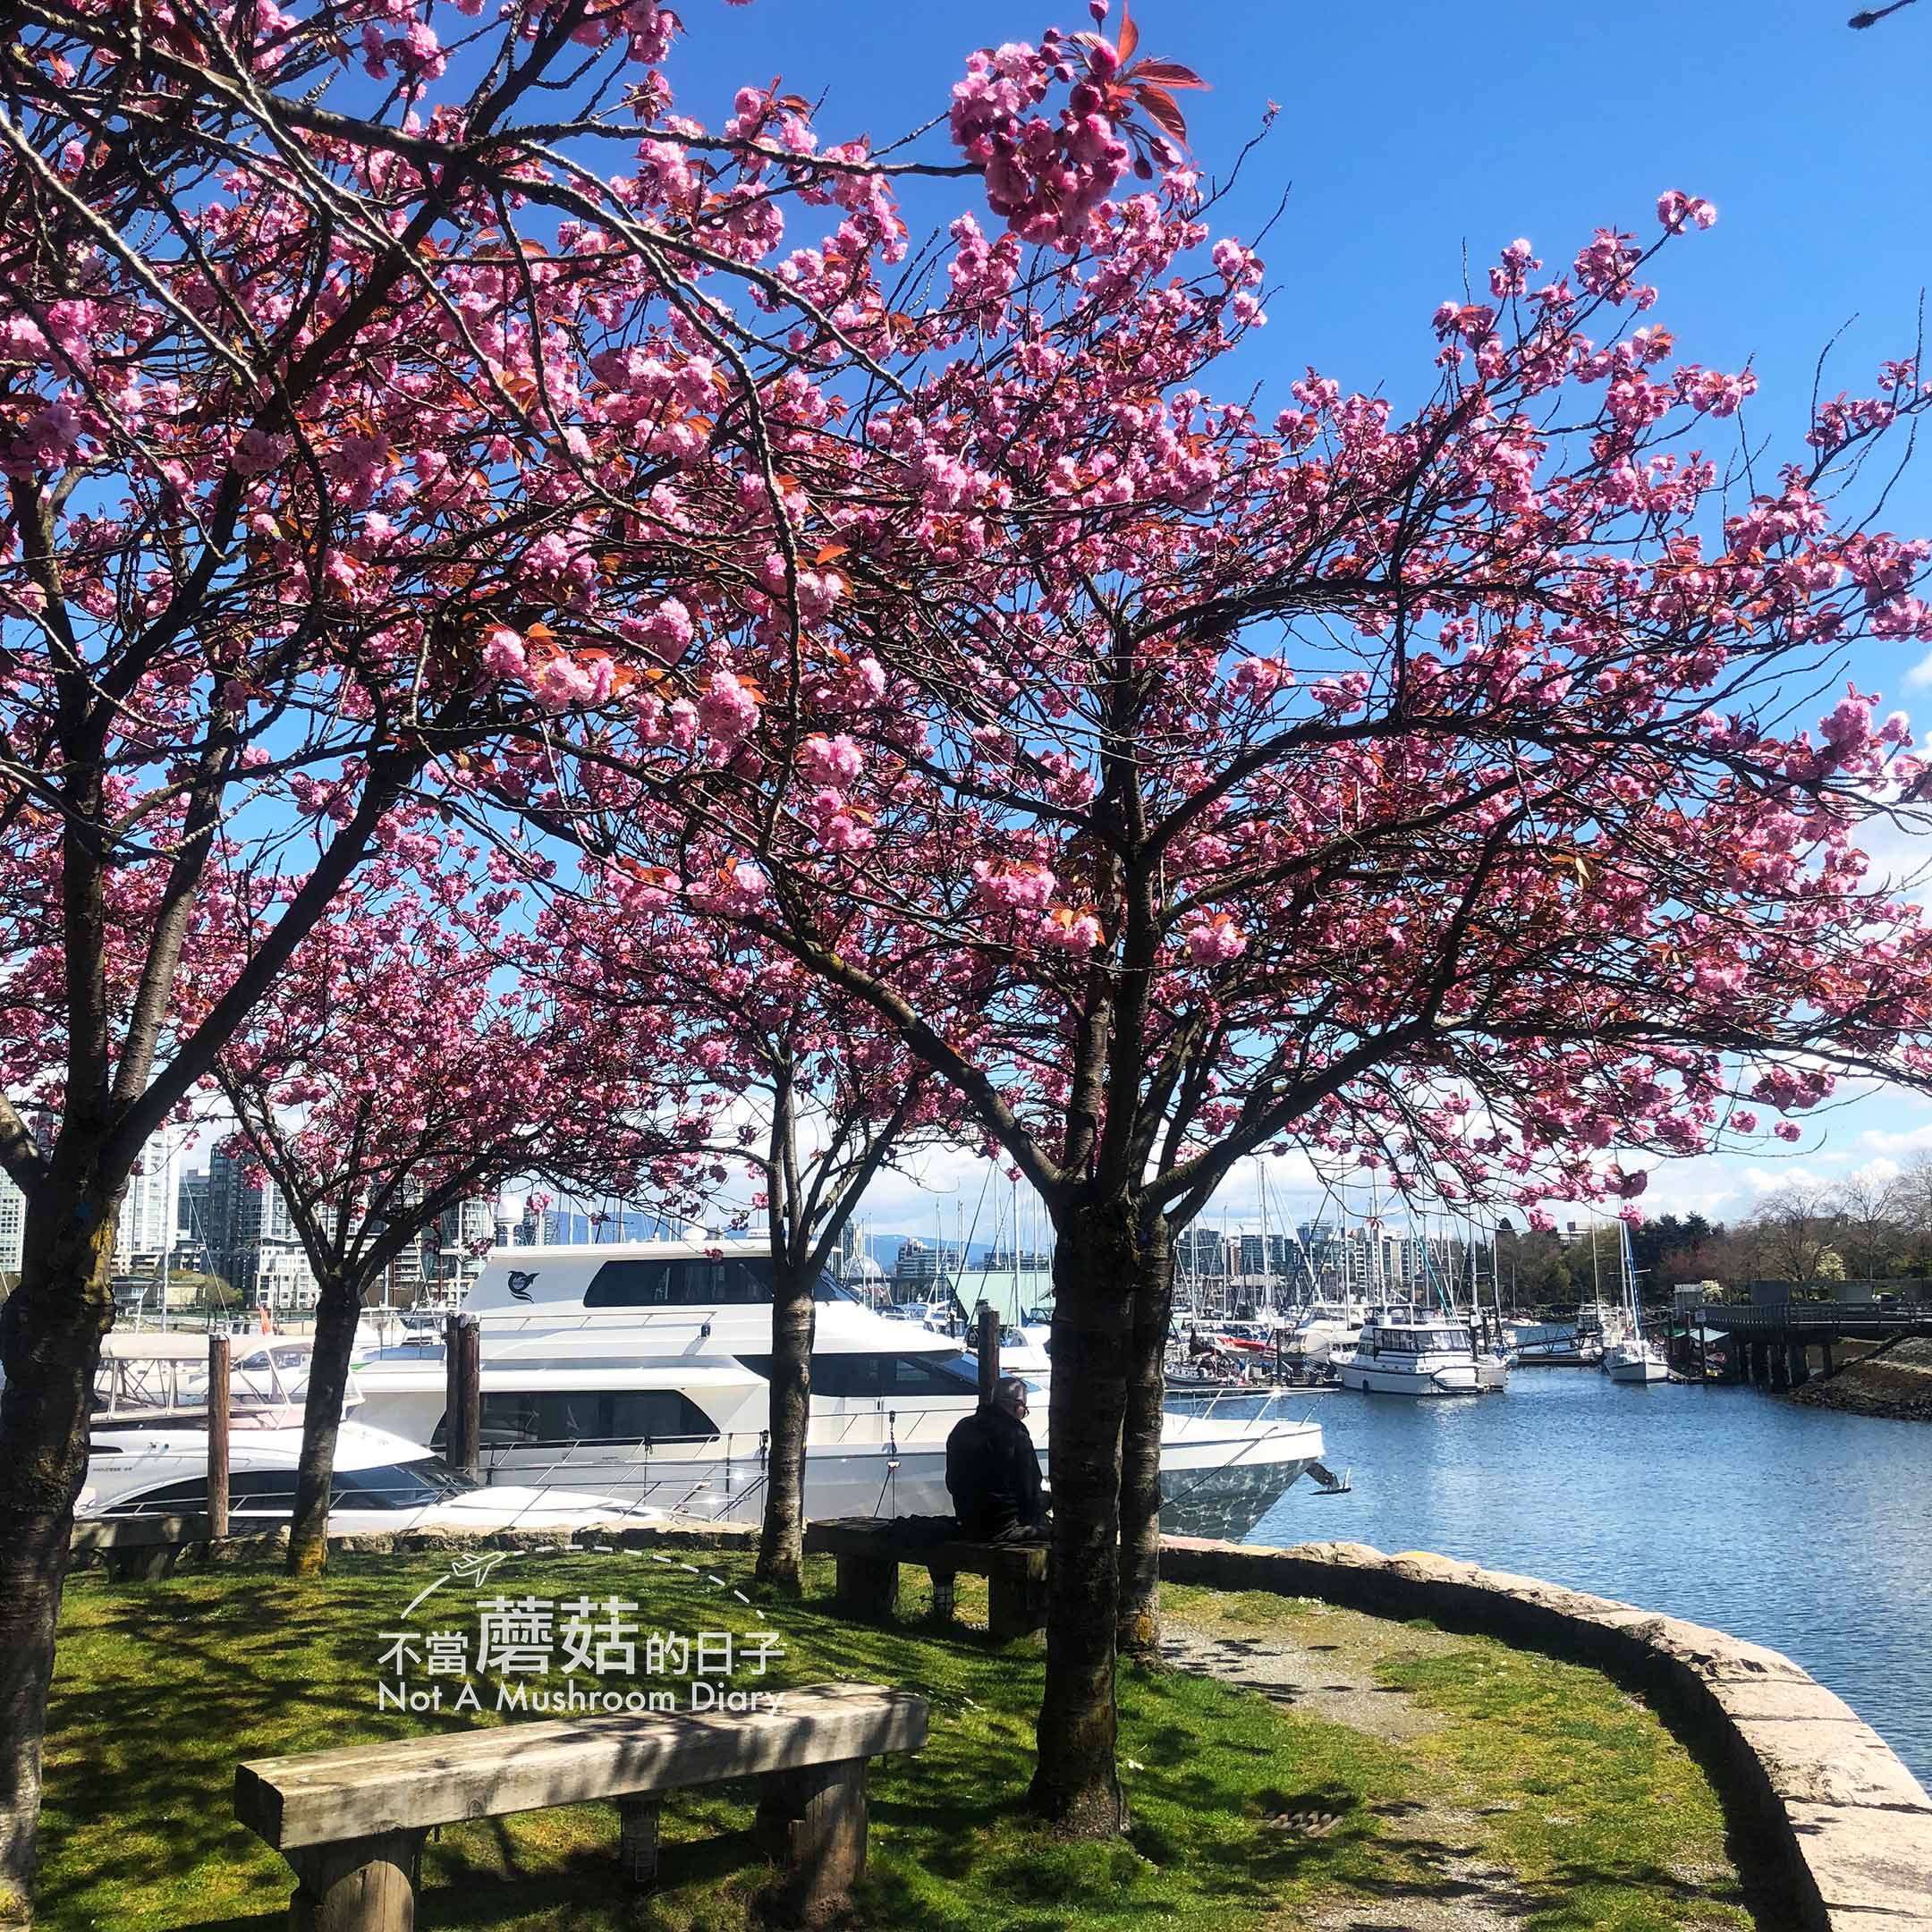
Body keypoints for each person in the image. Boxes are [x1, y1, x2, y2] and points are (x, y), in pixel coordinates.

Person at [945, 1374, 1047, 1542]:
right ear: (1018, 1406)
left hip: (968, 1522)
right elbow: (1030, 1495)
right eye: (1025, 1409)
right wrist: (1050, 1499)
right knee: (1064, 1539)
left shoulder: (963, 1427)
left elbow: (952, 1483)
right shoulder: (1015, 1434)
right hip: (1004, 1527)